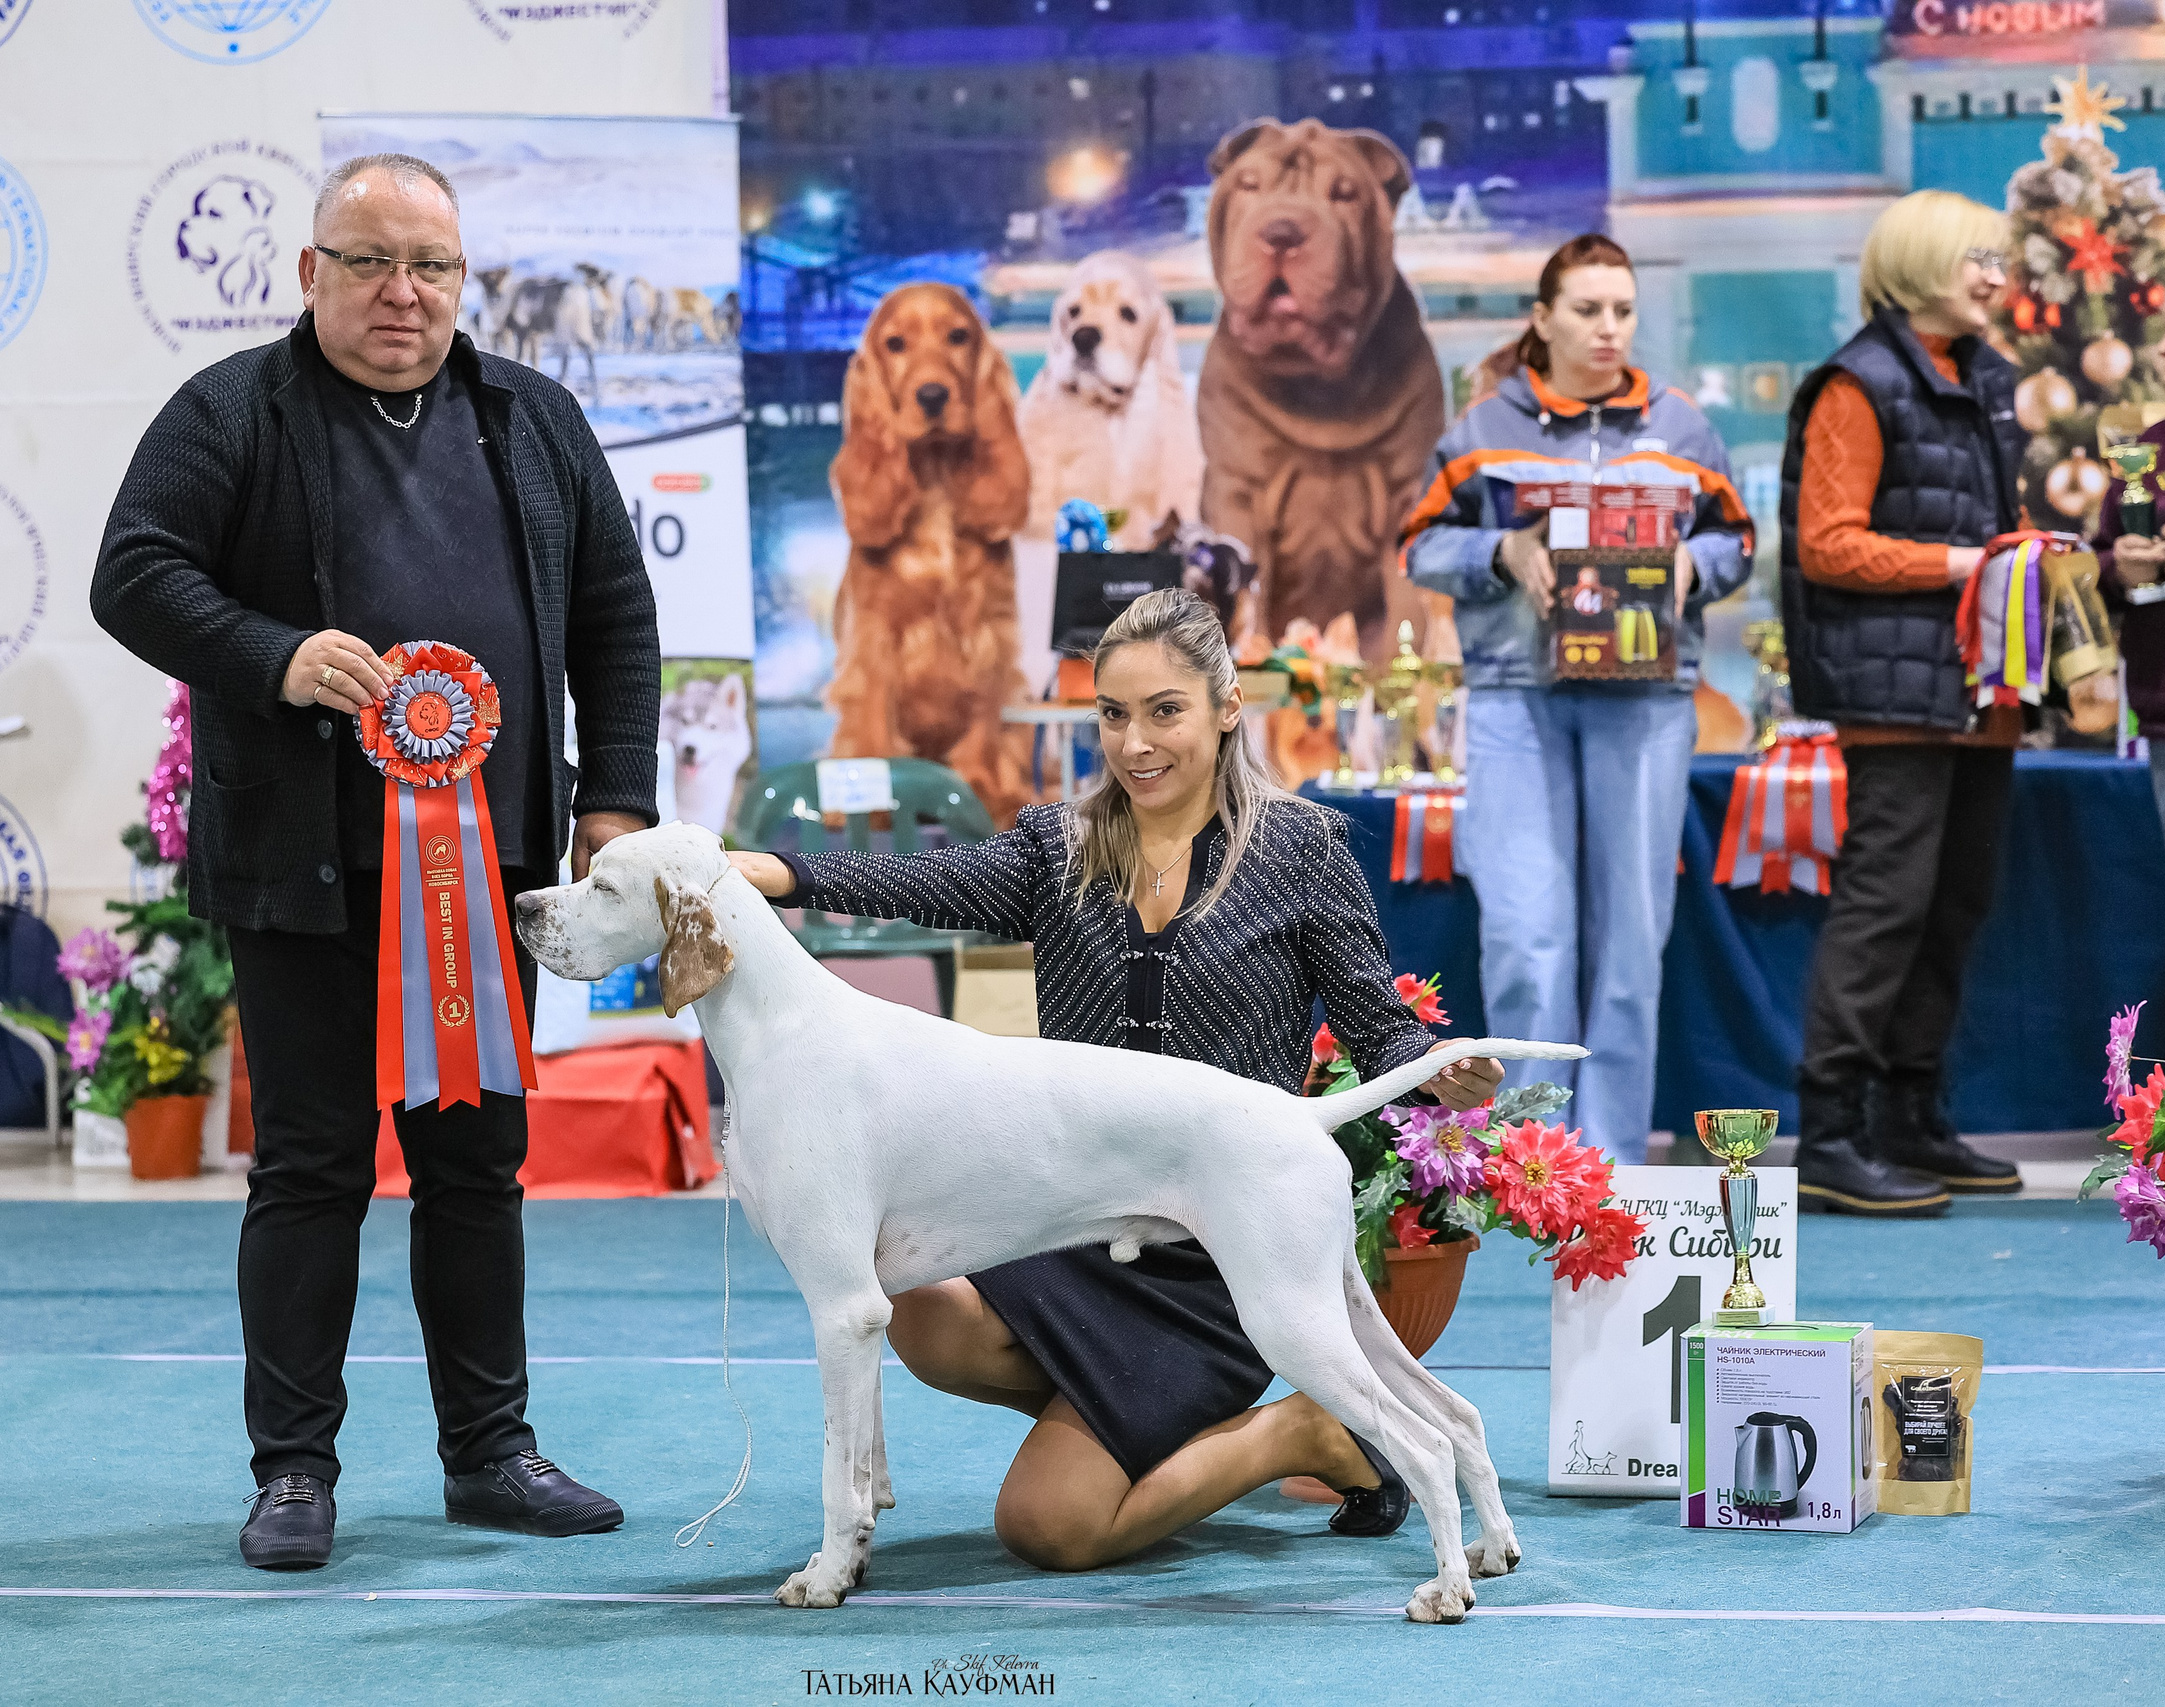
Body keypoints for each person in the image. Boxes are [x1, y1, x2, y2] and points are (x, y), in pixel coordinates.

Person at [93, 152, 660, 1570]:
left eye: (432, 266)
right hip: (301, 871)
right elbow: (135, 571)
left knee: (479, 1167)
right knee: (310, 1168)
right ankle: (294, 1470)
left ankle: (492, 1451)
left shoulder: (534, 417)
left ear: (465, 279)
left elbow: (615, 611)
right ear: (309, 274)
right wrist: (273, 656)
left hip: (495, 868)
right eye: (368, 262)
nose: (402, 292)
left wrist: (619, 803)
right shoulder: (231, 409)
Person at [726, 589, 1503, 1571]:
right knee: (921, 1309)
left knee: (1049, 1528)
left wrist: (1432, 1076)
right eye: (1113, 714)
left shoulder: (1304, 850)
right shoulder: (1057, 846)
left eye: (1164, 710)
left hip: (1219, 1253)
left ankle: (1293, 1433)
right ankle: (1127, 1424)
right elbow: (931, 881)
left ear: (1227, 707)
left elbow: (1376, 1028)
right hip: (1066, 1232)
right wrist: (787, 874)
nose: (1135, 742)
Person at [1403, 234, 1753, 1164]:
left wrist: (1693, 561)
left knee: (1634, 943)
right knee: (1526, 939)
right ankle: (1530, 1162)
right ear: (1542, 317)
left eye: (1623, 311)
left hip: (1647, 699)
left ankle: (1610, 1165)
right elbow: (1420, 545)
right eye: (1588, 309)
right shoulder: (1482, 429)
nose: (1608, 329)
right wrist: (1501, 552)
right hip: (1518, 699)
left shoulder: (1681, 428)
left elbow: (1739, 542)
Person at [1776, 188, 2028, 1213]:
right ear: (1921, 260)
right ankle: (1830, 1132)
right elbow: (1826, 544)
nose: (1994, 278)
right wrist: (1967, 562)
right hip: (1893, 696)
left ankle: (1910, 1117)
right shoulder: (1858, 381)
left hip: (1976, 691)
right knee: (1885, 906)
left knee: (1953, 904)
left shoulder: (1983, 378)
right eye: (1978, 259)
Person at [2097, 267, 2165, 1032]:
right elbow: (2101, 560)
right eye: (2163, 330)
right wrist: (2118, 567)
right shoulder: (2144, 451)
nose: (2163, 346)